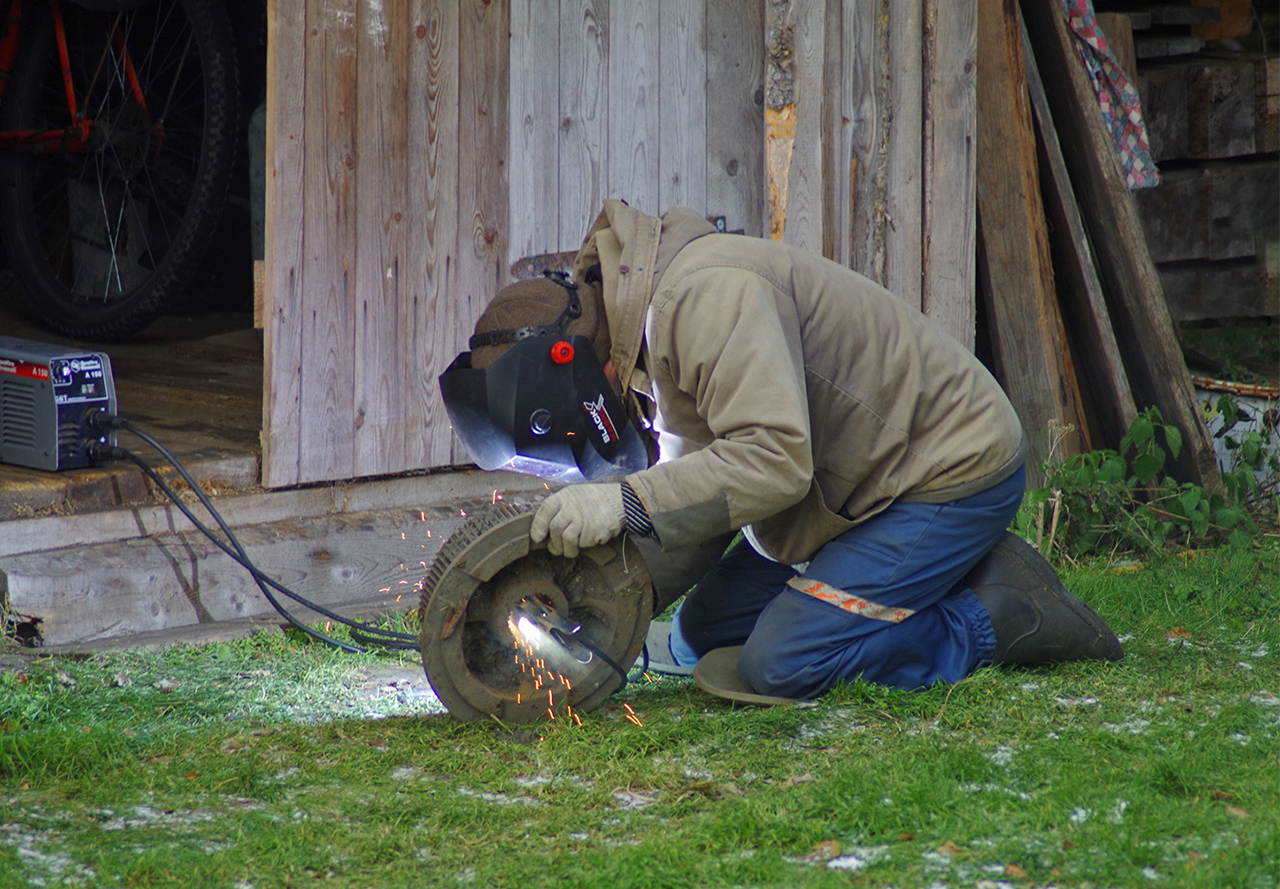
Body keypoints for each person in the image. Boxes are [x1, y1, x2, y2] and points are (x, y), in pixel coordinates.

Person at [439, 200, 1122, 704]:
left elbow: (772, 462)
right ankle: (932, 573)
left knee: (781, 665)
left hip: (945, 471)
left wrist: (623, 501)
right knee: (705, 631)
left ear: (576, 381)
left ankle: (996, 612)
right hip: (853, 490)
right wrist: (601, 597)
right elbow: (705, 490)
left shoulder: (707, 300)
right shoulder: (642, 327)